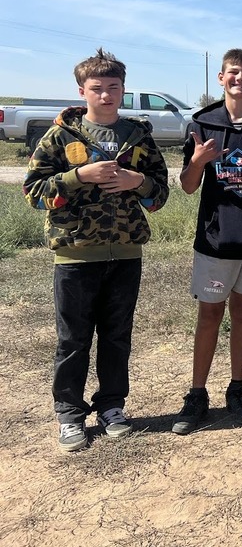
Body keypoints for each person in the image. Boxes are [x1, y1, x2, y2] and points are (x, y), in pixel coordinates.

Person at [24, 48, 169, 452]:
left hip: (125, 252)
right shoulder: (59, 137)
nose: (105, 95)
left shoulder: (138, 137)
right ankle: (69, 414)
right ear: (81, 91)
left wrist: (135, 183)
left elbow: (159, 195)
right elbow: (33, 193)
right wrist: (77, 176)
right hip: (75, 253)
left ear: (123, 90)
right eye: (97, 88)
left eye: (113, 88)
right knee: (72, 339)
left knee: (117, 336)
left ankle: (111, 406)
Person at [173, 49, 242, 436]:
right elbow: (188, 188)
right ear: (221, 78)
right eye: (233, 73)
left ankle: (238, 389)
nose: (240, 79)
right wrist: (199, 162)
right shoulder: (202, 124)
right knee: (209, 315)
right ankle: (196, 393)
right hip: (215, 241)